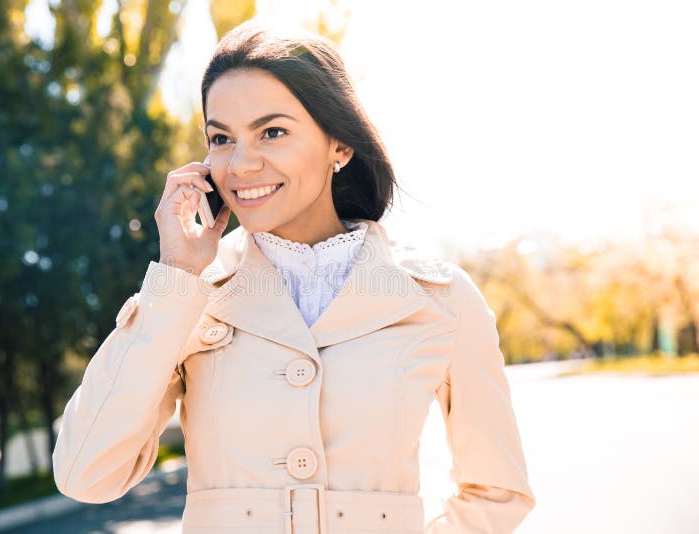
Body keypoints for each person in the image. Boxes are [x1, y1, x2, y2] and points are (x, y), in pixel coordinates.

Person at [52, 19, 536, 533]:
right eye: (221, 138)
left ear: (340, 146)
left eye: (273, 132)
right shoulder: (190, 296)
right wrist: (175, 276)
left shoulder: (440, 299)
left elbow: (498, 494)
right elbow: (86, 475)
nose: (240, 164)